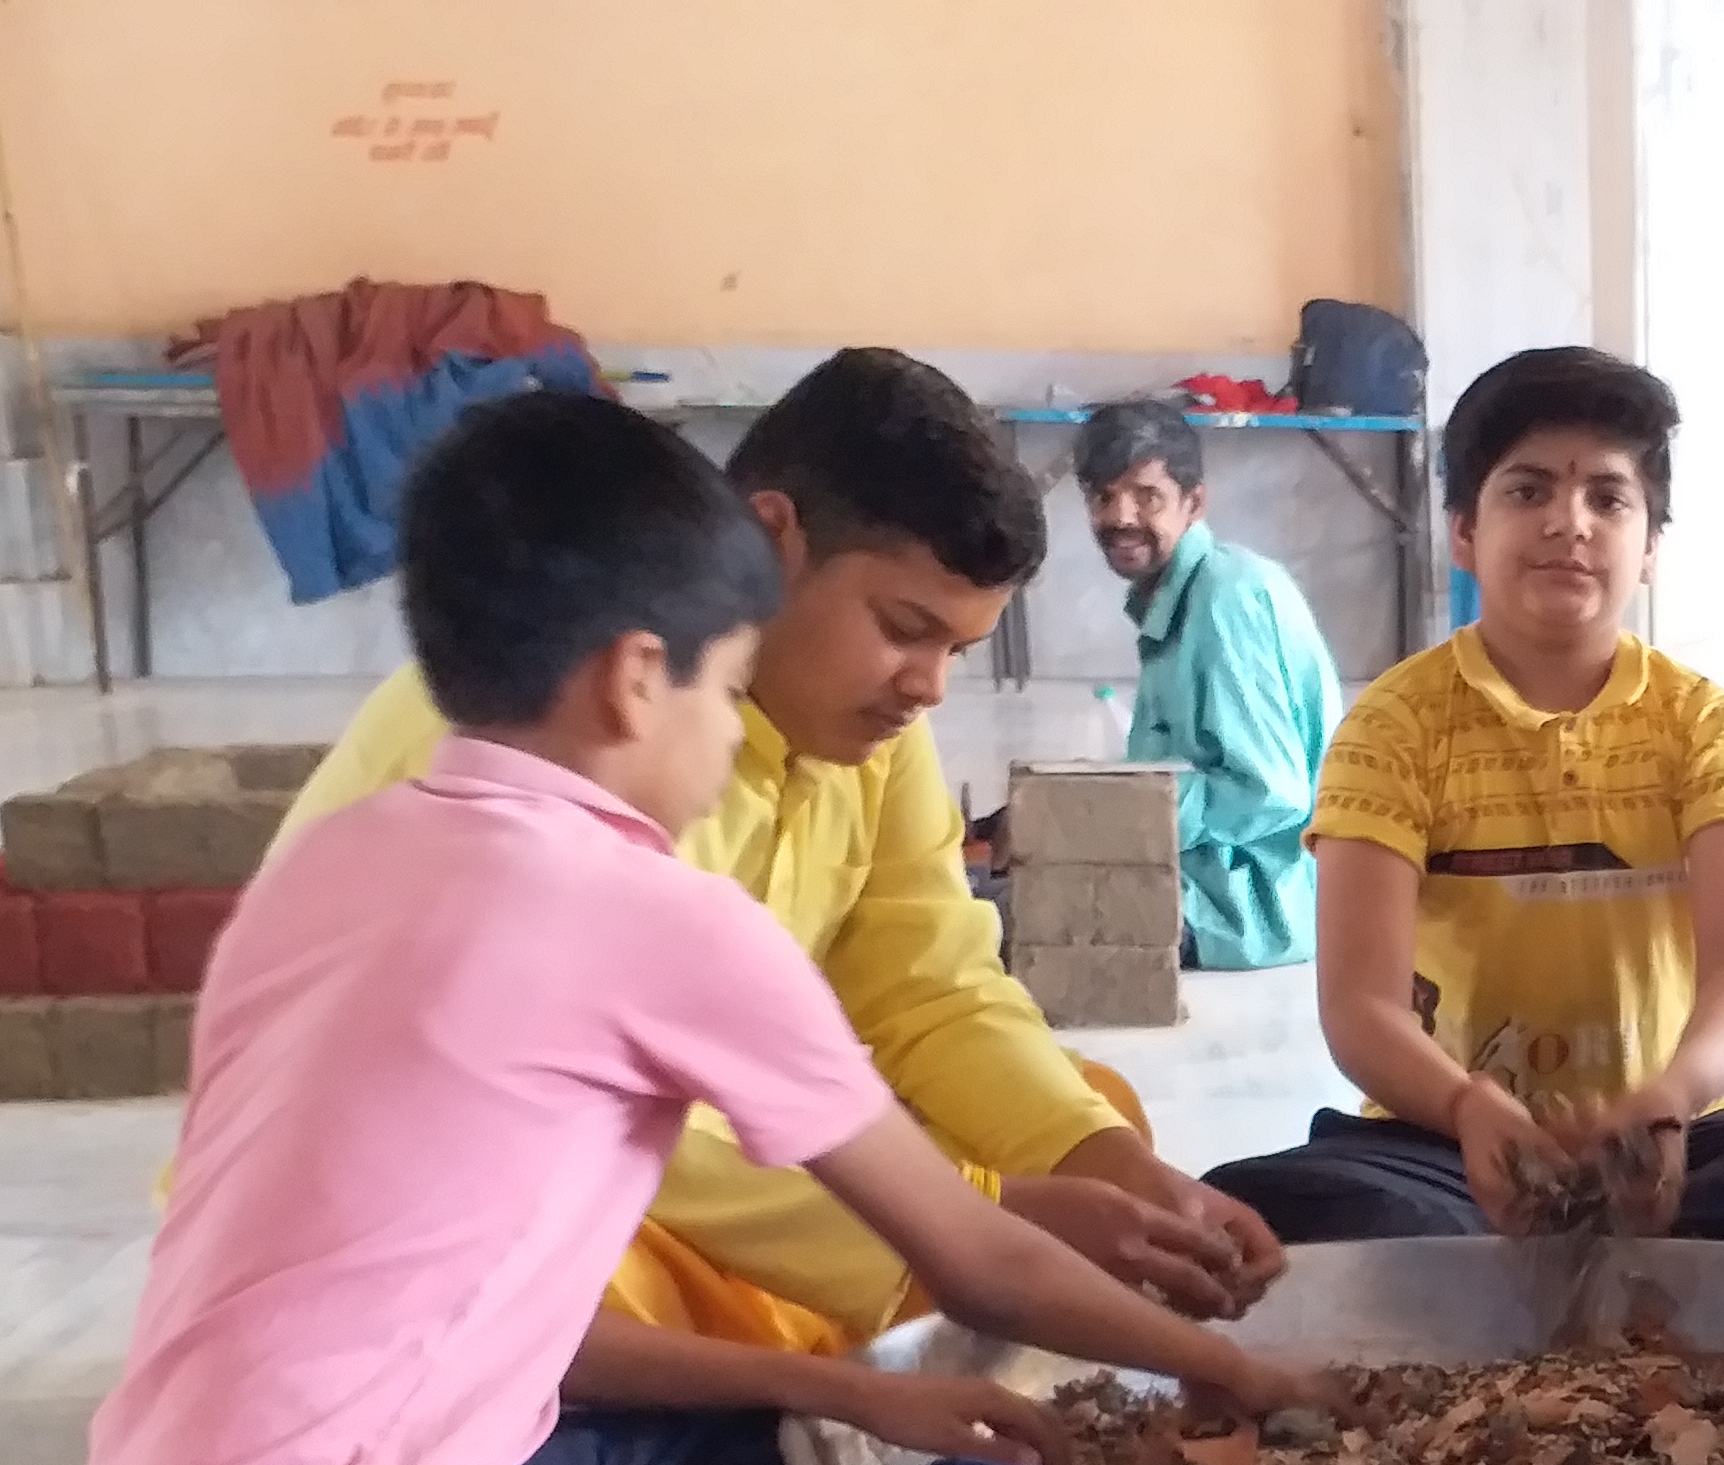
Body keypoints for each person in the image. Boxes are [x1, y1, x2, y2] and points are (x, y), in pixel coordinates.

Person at [74, 392, 1310, 1465]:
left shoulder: (335, 865)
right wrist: (1251, 1380)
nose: (735, 738)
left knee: (776, 1441)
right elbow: (978, 1262)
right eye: (723, 693)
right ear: (633, 679)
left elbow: (518, 1322)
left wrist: (836, 1382)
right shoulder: (649, 907)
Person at [275, 348, 1280, 1358]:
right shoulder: (556, 730)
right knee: (597, 1267)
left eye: (959, 653)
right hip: (452, 1193)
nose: (927, 686)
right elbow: (597, 1126)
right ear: (771, 540)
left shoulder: (871, 731)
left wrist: (1108, 1172)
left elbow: (929, 991)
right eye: (903, 628)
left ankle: (860, 1339)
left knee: (1092, 1127)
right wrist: (977, 1219)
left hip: (723, 1141)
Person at [1199, 345, 1724, 1246]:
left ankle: (1563, 1256)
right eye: (1528, 491)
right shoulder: (1394, 725)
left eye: (1609, 499)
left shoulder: (1704, 723)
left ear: (1651, 547)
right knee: (1265, 1203)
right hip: (1446, 1142)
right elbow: (1360, 1006)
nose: (1569, 523)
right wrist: (1469, 1109)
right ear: (1464, 530)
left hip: (1676, 1140)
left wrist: (1668, 1102)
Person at [1074, 398, 1342, 970]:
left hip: (1251, 906)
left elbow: (1271, 793)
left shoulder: (1226, 598)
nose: (1121, 517)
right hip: (1214, 881)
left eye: (1147, 496)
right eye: (1103, 497)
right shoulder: (1176, 595)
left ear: (1194, 502)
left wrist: (1118, 819)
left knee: (999, 918)